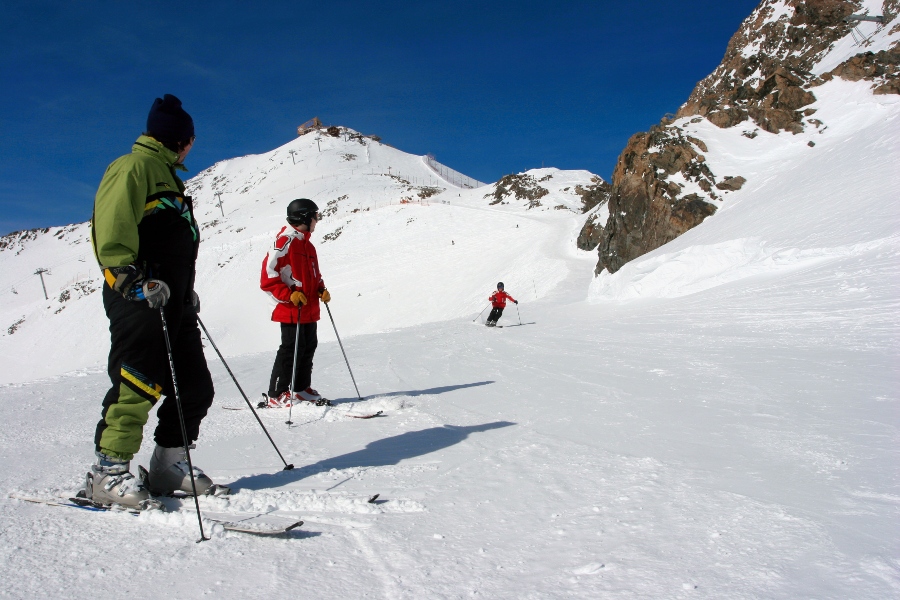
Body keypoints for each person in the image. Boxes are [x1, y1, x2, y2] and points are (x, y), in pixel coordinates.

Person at [88, 94, 219, 509]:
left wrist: (184, 291)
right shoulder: (133, 168)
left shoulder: (169, 178)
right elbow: (112, 229)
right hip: (141, 298)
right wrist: (131, 279)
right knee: (138, 384)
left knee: (195, 386)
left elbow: (173, 246)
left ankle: (167, 466)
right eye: (192, 139)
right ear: (183, 139)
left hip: (173, 302)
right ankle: (107, 473)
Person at [260, 199, 331, 407]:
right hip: (291, 308)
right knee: (291, 349)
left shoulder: (307, 245)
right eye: (314, 216)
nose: (317, 220)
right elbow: (268, 276)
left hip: (308, 308)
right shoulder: (285, 242)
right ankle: (276, 394)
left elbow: (313, 274)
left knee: (308, 346)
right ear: (304, 217)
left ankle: (300, 388)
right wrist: (288, 295)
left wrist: (321, 288)